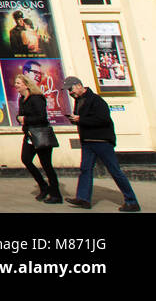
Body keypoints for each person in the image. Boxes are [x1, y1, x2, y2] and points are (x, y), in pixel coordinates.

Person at [63, 76, 141, 212]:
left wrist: (81, 119)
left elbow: (103, 119)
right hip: (87, 141)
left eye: (71, 89)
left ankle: (132, 201)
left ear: (79, 85)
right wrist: (74, 120)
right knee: (85, 170)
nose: (70, 93)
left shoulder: (96, 100)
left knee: (115, 170)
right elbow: (83, 120)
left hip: (101, 141)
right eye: (68, 91)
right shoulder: (79, 101)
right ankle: (83, 199)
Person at [14, 72, 61, 204]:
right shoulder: (21, 99)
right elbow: (20, 116)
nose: (15, 85)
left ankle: (56, 194)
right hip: (29, 135)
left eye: (18, 83)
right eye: (16, 83)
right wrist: (19, 119)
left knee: (46, 165)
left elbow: (42, 117)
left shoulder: (37, 98)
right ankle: (43, 186)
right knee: (26, 160)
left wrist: (25, 119)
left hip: (41, 134)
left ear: (26, 85)